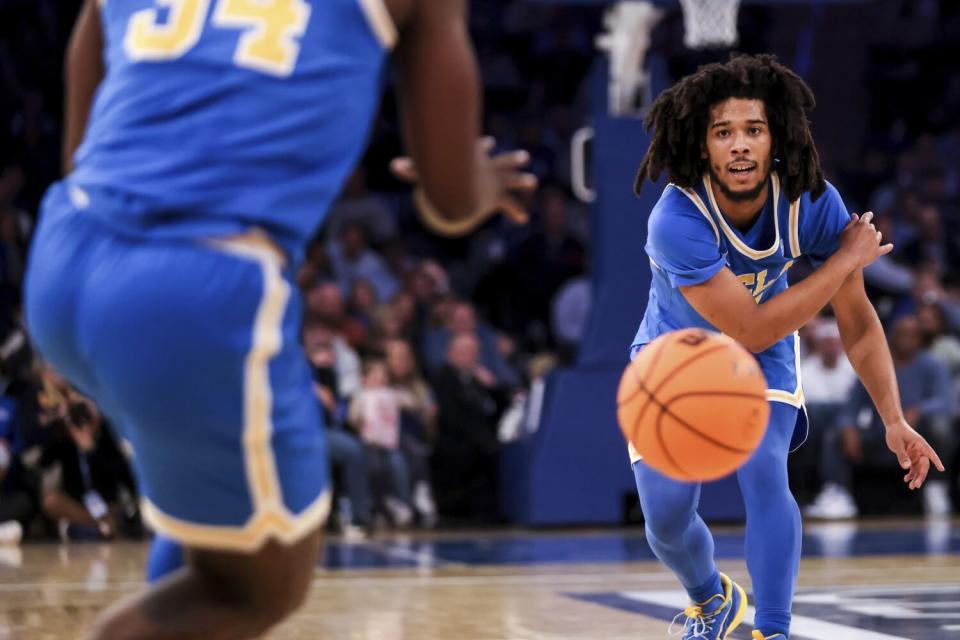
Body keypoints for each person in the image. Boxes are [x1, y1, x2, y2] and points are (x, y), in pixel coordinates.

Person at [23, 1, 535, 638]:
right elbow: (450, 201)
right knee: (252, 588)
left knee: (208, 524)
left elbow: (87, 87)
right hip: (195, 285)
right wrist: (482, 181)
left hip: (65, 249)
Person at [629, 54, 943, 640]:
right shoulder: (675, 218)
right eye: (724, 133)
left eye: (754, 130)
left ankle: (772, 630)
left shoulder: (812, 201)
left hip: (759, 359)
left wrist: (894, 418)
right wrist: (848, 258)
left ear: (777, 139)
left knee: (765, 469)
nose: (740, 146)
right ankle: (710, 599)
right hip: (676, 360)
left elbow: (856, 318)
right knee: (666, 519)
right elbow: (750, 325)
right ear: (703, 147)